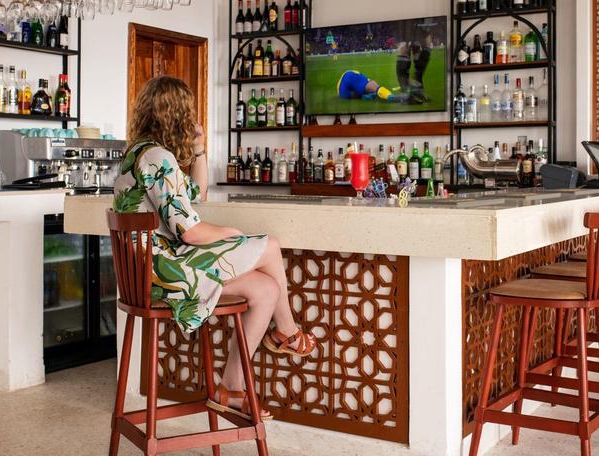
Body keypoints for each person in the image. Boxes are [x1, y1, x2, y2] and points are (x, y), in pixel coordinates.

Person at [113, 76, 316, 420]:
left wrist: (199, 149)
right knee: (270, 246)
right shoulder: (158, 157)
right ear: (177, 115)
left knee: (266, 289)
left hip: (151, 273)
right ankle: (289, 332)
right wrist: (229, 232)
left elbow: (198, 193)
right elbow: (190, 232)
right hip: (164, 276)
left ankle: (230, 389)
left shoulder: (139, 153)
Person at [336, 69, 402, 102]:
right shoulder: (354, 76)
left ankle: (369, 96)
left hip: (341, 92)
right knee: (373, 86)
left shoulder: (349, 91)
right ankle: (391, 97)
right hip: (348, 77)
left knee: (362, 93)